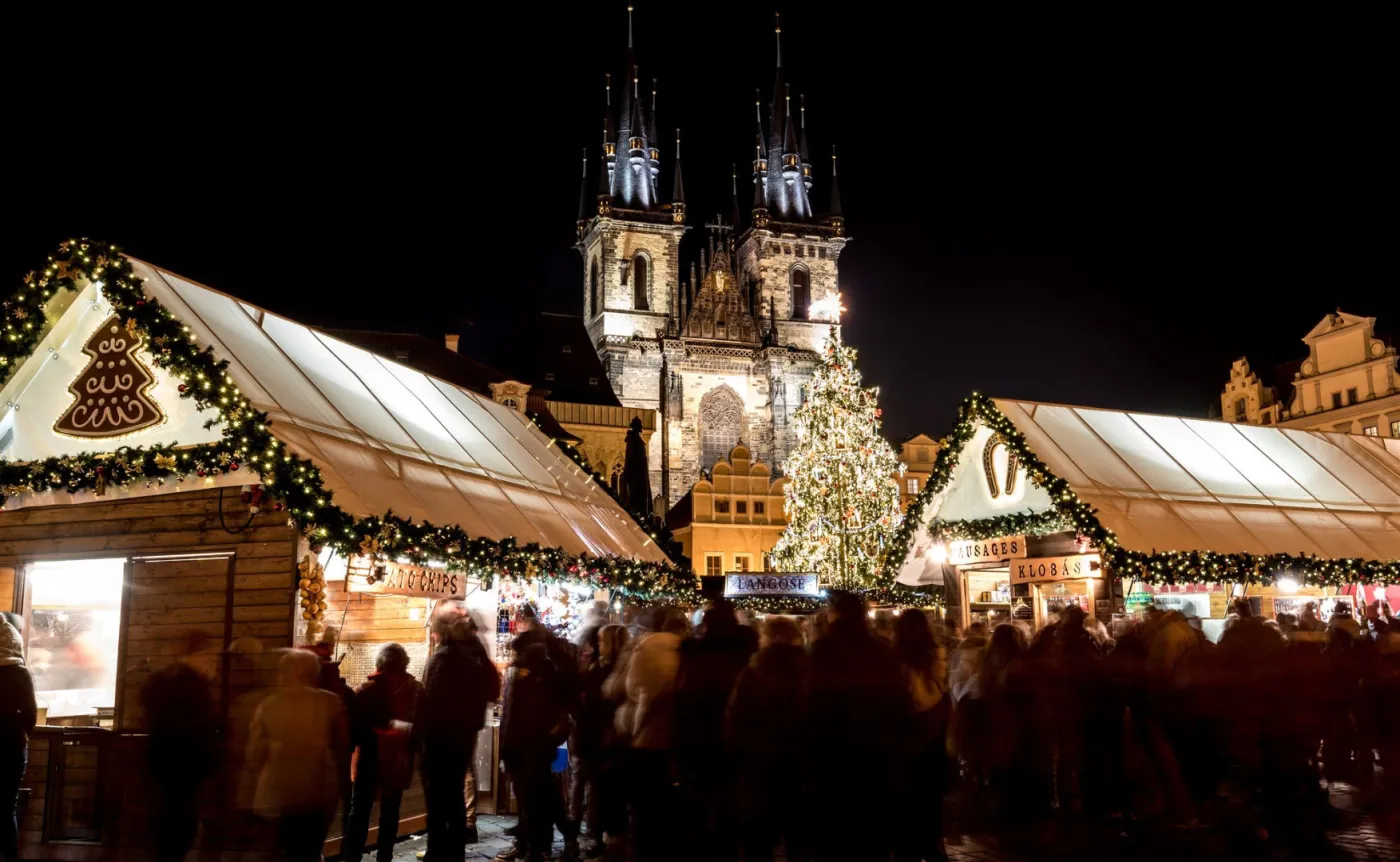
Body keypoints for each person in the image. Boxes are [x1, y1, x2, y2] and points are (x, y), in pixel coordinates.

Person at [808, 593, 906, 862]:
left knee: (836, 829)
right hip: (875, 749)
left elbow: (812, 701)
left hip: (833, 749)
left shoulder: (823, 649)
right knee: (871, 827)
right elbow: (897, 700)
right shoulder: (881, 649)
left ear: (836, 614)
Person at [244, 649, 349, 862]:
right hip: (316, 795)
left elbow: (253, 755)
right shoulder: (331, 702)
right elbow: (342, 746)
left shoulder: (268, 704)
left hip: (276, 797)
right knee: (308, 854)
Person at [674, 600, 757, 861]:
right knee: (729, 796)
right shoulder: (744, 650)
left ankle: (702, 844)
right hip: (732, 734)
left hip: (699, 733)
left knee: (699, 797)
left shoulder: (694, 651)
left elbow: (683, 693)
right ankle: (727, 844)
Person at [498, 604, 580, 862]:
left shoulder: (530, 673)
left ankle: (539, 846)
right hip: (538, 743)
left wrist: (509, 746)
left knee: (538, 796)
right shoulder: (543, 668)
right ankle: (541, 842)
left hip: (530, 744)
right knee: (543, 794)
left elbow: (520, 714)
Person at [726, 616, 810, 862]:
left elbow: (734, 717)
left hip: (759, 763)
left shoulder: (753, 672)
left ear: (767, 638)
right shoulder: (810, 669)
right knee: (798, 837)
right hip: (800, 763)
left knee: (758, 838)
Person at [421, 603, 500, 860]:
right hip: (465, 735)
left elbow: (430, 702)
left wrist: (419, 735)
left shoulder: (444, 658)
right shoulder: (475, 655)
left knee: (438, 800)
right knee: (454, 796)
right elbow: (491, 690)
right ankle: (454, 853)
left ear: (441, 632)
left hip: (441, 739)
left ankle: (437, 853)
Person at [141, 631, 219, 862]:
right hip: (186, 765)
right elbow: (198, 726)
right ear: (199, 654)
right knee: (180, 829)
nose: (213, 661)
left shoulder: (164, 678)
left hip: (164, 762)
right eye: (210, 655)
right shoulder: (192, 683)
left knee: (172, 828)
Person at [344, 643, 423, 862]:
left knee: (359, 811)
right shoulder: (416, 689)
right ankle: (385, 856)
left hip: (369, 757)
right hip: (398, 760)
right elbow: (422, 727)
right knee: (390, 811)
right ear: (404, 662)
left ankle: (352, 857)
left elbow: (355, 730)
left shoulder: (367, 689)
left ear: (380, 663)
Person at [623, 607, 686, 862]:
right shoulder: (686, 650)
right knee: (670, 804)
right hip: (677, 736)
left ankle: (642, 850)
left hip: (645, 734)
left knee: (645, 805)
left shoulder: (644, 647)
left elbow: (631, 688)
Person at [892, 610, 950, 862]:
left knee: (907, 798)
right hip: (932, 736)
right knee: (931, 798)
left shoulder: (897, 660)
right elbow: (942, 694)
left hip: (908, 737)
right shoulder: (937, 656)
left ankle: (909, 846)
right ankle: (933, 844)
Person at [1, 615, 36, 862]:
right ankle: (11, 856)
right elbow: (31, 713)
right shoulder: (20, 673)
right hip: (12, 744)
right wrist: (22, 733)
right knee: (7, 807)